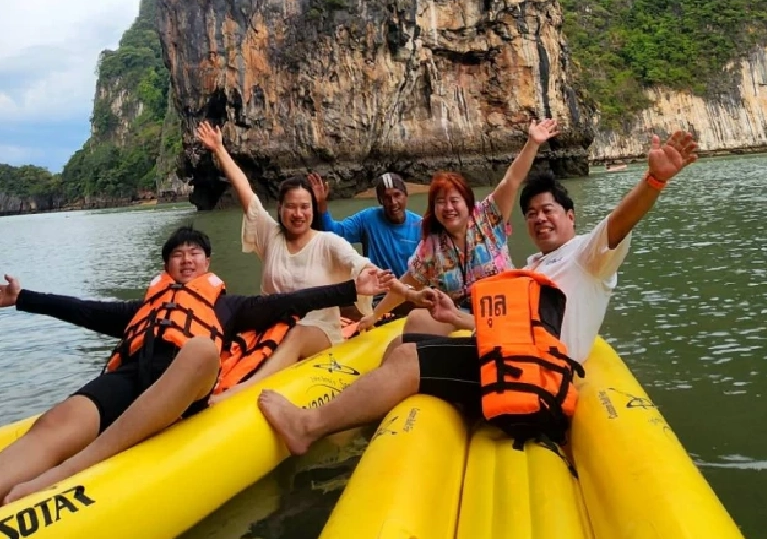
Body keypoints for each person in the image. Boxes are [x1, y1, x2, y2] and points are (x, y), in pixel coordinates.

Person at [0, 224, 394, 539]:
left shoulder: (227, 306)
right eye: (178, 255)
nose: (187, 259)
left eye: (196, 254)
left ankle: (66, 474)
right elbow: (87, 310)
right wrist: (25, 299)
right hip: (129, 381)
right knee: (57, 422)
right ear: (165, 267)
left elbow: (282, 305)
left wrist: (352, 287)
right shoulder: (143, 309)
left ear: (208, 264)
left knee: (201, 349)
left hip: (183, 388)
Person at [256, 130, 699, 456]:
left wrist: (653, 182)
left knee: (411, 357)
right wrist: (452, 316)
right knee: (402, 344)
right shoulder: (532, 266)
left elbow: (618, 223)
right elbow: (494, 318)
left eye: (549, 212)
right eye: (532, 214)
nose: (540, 219)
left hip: (536, 377)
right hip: (513, 357)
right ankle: (359, 413)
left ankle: (307, 426)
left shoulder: (587, 255)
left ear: (571, 216)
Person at [195, 122, 419, 393]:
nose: (298, 213)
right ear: (281, 209)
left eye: (305, 207)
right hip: (269, 327)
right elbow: (245, 192)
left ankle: (243, 390)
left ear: (313, 210)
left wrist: (411, 295)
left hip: (317, 332)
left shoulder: (329, 243)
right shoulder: (270, 235)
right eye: (291, 206)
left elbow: (368, 269)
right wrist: (219, 149)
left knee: (297, 334)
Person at [361, 119, 559, 335]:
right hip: (460, 316)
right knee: (416, 320)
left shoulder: (488, 216)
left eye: (454, 200)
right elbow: (405, 284)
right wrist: (374, 316)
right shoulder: (431, 247)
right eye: (440, 202)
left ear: (467, 201)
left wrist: (532, 143)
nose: (448, 208)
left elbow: (512, 179)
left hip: (503, 308)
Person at [307, 171, 422, 277]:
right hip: (379, 293)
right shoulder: (367, 219)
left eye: (397, 195)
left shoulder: (420, 225)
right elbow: (332, 233)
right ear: (380, 200)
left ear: (406, 195)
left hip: (411, 292)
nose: (393, 202)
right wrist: (321, 203)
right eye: (387, 198)